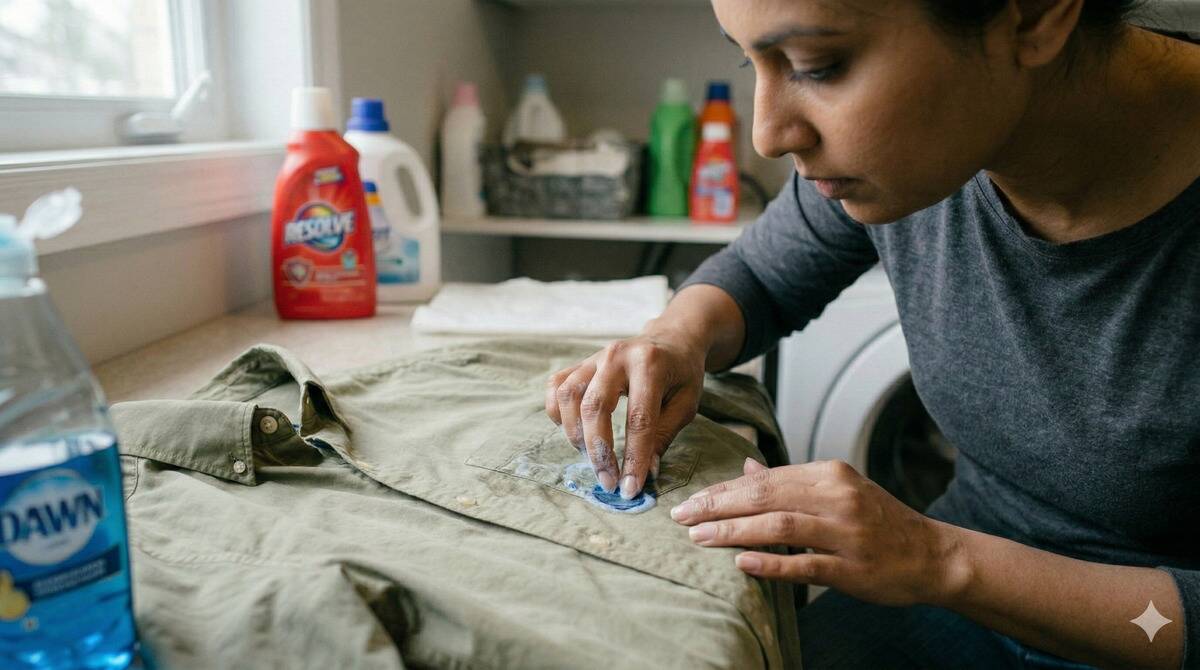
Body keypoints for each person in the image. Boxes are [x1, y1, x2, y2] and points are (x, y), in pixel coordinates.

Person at [544, 1, 1200, 667]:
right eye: (753, 62)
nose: (767, 135)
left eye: (818, 67)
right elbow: (760, 276)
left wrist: (937, 558)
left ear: (1031, 17)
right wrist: (674, 338)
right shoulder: (942, 144)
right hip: (960, 589)